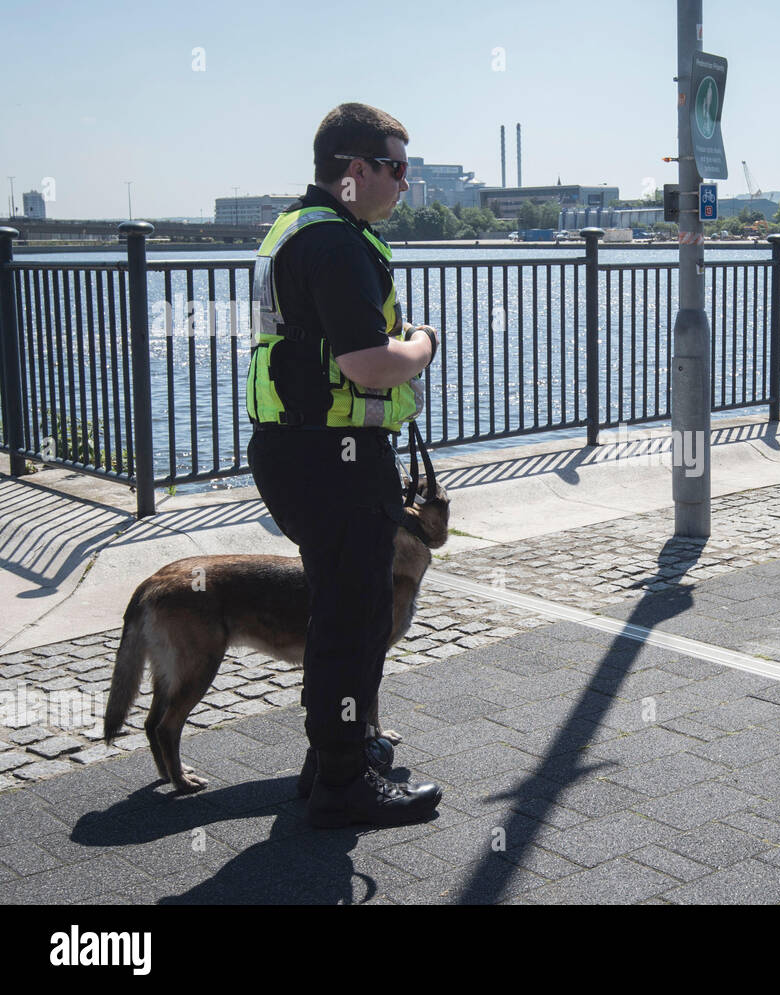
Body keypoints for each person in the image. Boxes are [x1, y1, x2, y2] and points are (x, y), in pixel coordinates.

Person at [246, 103, 443, 828]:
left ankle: (337, 751)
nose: (404, 181)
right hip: (334, 461)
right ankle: (342, 781)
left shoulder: (298, 229)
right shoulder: (335, 245)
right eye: (395, 166)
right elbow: (367, 363)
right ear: (355, 171)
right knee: (353, 617)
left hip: (297, 452)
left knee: (339, 607)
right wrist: (422, 343)